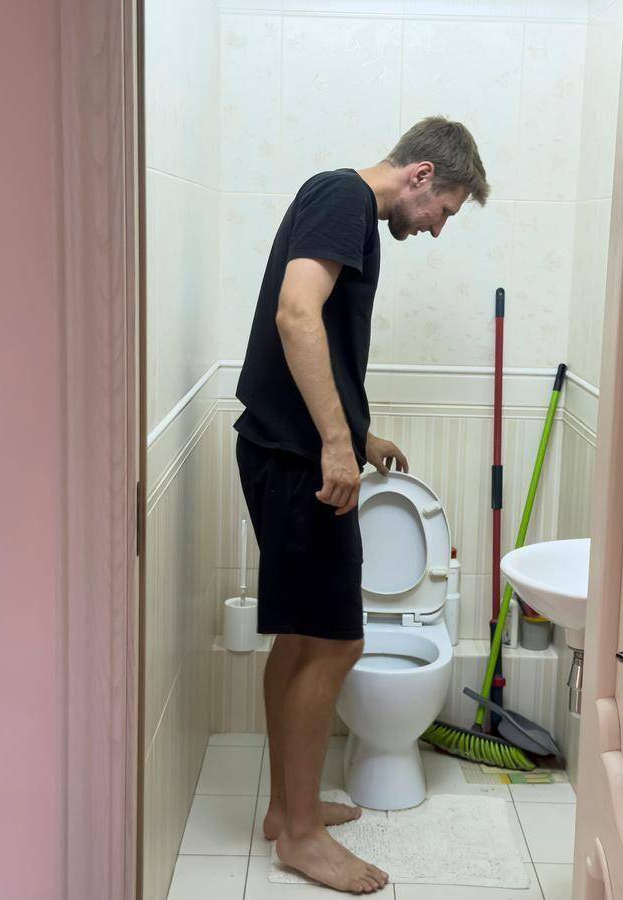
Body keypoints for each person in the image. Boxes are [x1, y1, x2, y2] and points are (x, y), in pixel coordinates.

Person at [234, 116, 490, 894]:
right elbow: (295, 315)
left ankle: (288, 809)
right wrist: (334, 446)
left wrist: (358, 434)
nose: (437, 228)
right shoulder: (343, 198)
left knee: (300, 640)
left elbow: (318, 344)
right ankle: (302, 838)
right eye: (444, 210)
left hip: (287, 451)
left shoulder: (343, 207)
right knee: (337, 643)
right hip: (300, 462)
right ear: (421, 175)